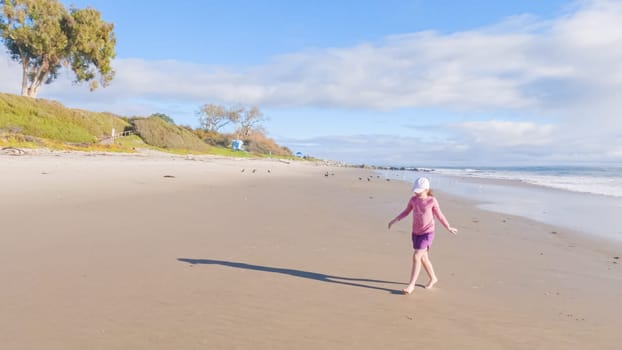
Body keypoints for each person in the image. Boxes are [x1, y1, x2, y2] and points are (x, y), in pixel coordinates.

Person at [388, 177, 458, 294]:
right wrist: (395, 220)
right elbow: (406, 211)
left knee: (416, 257)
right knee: (424, 258)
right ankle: (433, 278)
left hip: (427, 233)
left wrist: (448, 227)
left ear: (426, 189)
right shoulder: (413, 200)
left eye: (419, 190)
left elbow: (440, 215)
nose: (416, 192)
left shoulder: (432, 201)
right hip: (416, 233)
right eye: (415, 190)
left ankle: (411, 285)